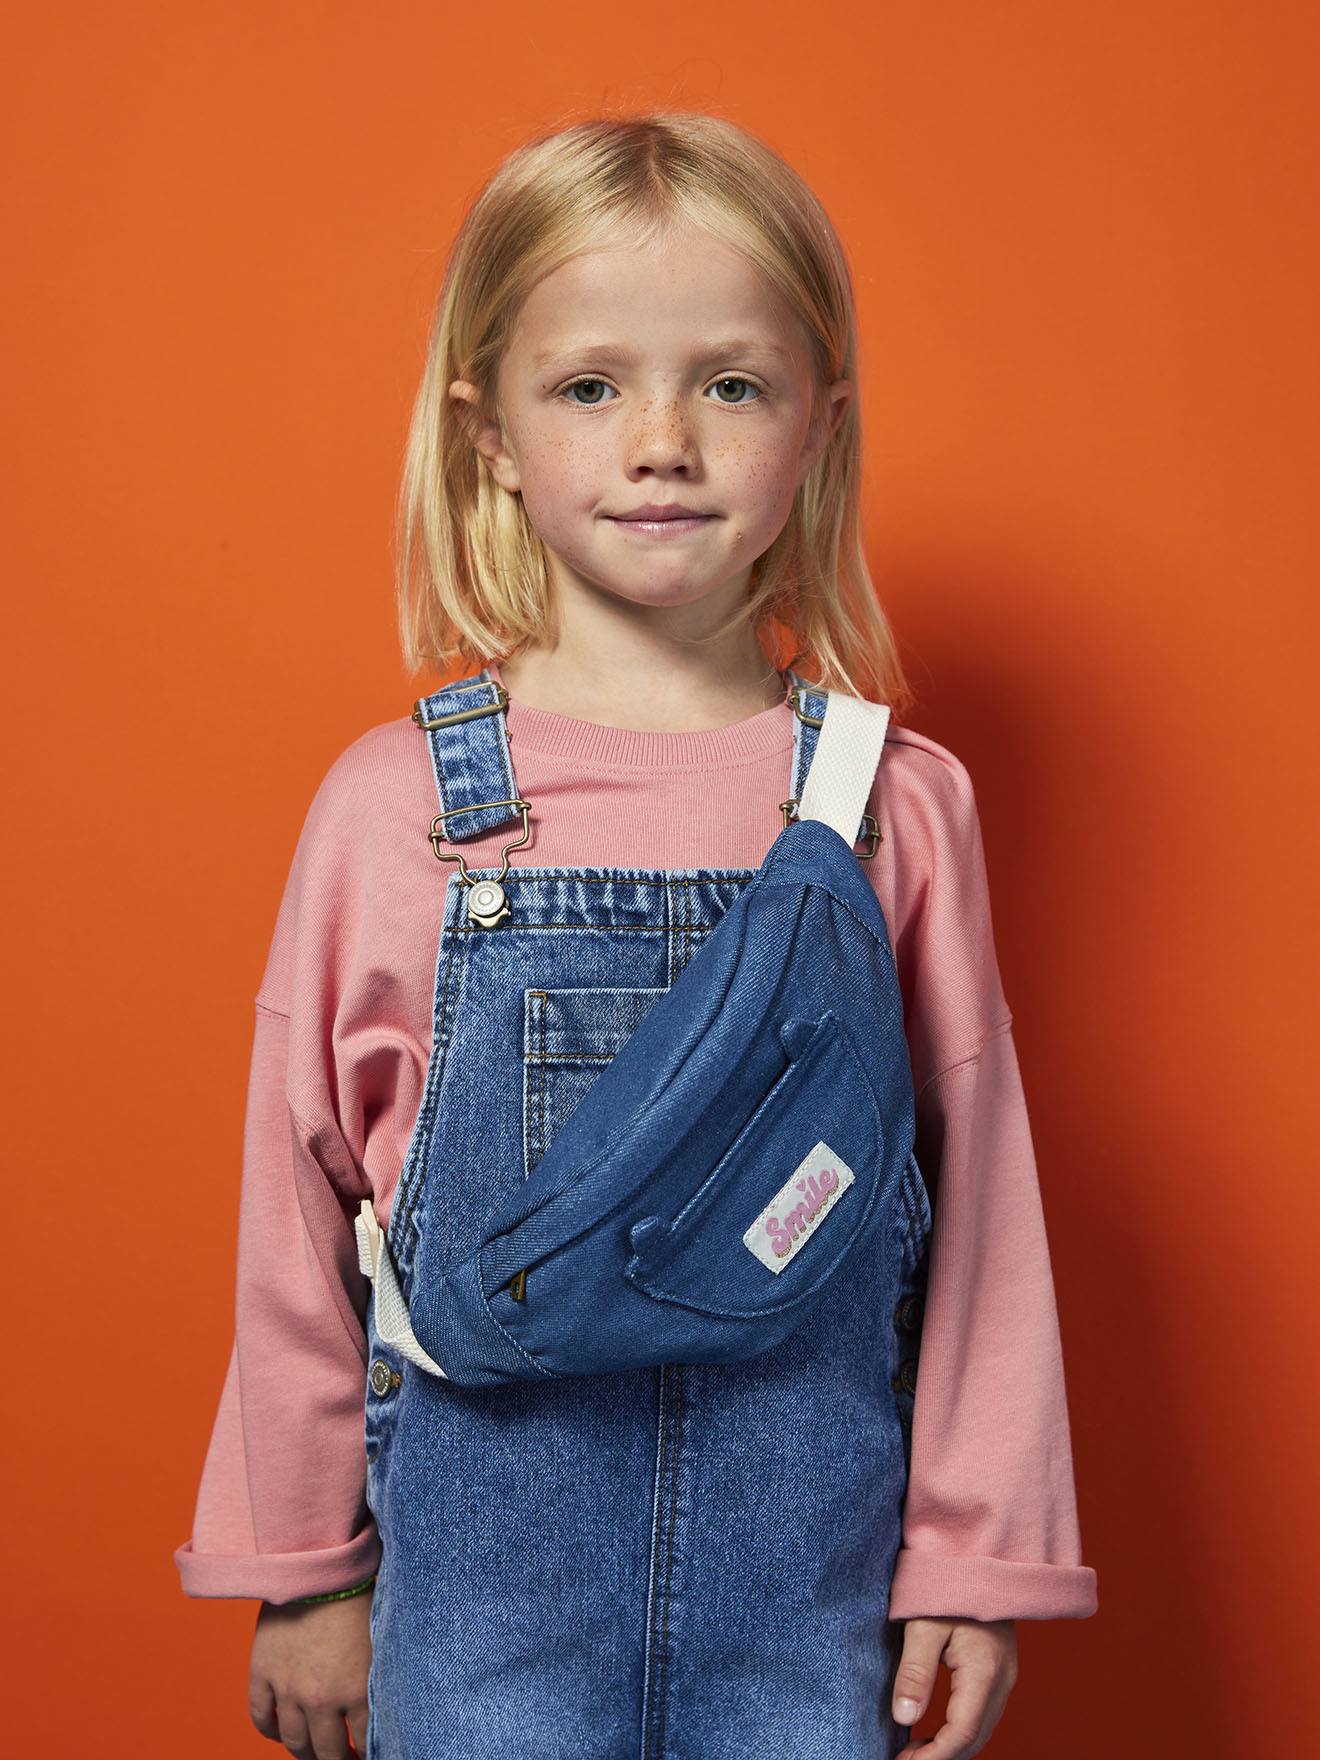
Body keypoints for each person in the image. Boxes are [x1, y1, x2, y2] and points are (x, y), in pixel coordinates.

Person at [173, 111, 1098, 1759]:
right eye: (591, 385)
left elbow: (980, 1212)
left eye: (729, 384)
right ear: (492, 435)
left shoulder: (892, 807)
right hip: (482, 1609)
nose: (661, 441)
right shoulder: (406, 809)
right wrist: (304, 1568)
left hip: (808, 1600)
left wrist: (977, 1554)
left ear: (819, 424)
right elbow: (290, 1196)